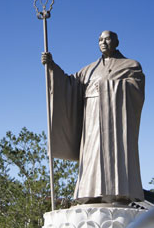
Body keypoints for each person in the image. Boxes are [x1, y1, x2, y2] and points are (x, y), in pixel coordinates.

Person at [41, 30, 145, 204]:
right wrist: (51, 66)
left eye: (107, 39)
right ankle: (90, 194)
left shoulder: (130, 65)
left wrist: (104, 87)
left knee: (115, 154)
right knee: (92, 153)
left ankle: (118, 194)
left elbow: (135, 90)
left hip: (116, 121)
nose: (103, 42)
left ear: (117, 42)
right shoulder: (89, 70)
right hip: (92, 119)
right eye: (100, 40)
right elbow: (69, 84)